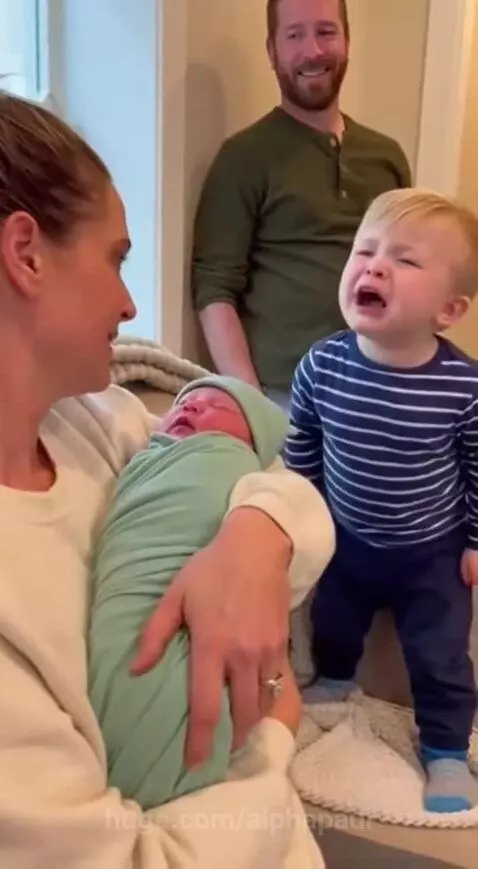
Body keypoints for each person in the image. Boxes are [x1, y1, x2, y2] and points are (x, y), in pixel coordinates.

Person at [0, 90, 337, 868]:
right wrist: (278, 731)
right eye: (116, 258)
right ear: (25, 253)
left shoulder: (93, 423)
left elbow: (277, 470)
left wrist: (259, 536)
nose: (130, 302)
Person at [284, 187, 478, 814]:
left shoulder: (463, 387)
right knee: (334, 617)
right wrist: (299, 514)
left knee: (441, 650)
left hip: (432, 552)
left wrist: (476, 539)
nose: (372, 266)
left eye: (405, 260)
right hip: (347, 536)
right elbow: (303, 444)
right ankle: (337, 677)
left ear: (448, 309)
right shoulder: (321, 366)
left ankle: (446, 749)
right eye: (364, 251)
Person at [89, 375, 334, 810]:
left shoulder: (239, 467)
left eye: (215, 405)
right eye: (186, 402)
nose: (192, 407)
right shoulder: (130, 442)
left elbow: (294, 496)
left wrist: (261, 526)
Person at [191, 0, 411, 410]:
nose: (312, 51)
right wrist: (251, 403)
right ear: (272, 51)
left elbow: (407, 271)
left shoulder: (387, 156)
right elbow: (214, 289)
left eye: (326, 32)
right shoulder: (242, 157)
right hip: (285, 397)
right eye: (295, 36)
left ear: (347, 41)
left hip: (379, 388)